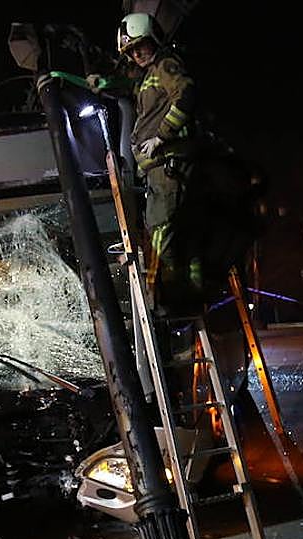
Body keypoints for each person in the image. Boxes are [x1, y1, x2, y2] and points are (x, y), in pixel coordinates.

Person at [116, 11, 204, 314]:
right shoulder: (145, 76)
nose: (137, 54)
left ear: (153, 40)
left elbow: (187, 93)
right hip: (157, 169)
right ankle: (190, 292)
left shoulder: (165, 65)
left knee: (159, 230)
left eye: (140, 46)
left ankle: (179, 296)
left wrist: (162, 136)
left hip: (169, 163)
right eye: (131, 51)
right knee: (178, 234)